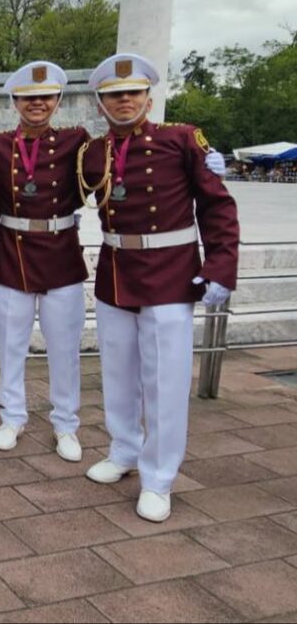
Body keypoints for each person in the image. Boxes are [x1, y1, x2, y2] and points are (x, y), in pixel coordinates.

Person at [77, 53, 239, 523]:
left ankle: (160, 477)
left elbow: (217, 208)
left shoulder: (183, 140)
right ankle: (124, 449)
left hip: (170, 271)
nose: (123, 101)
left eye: (132, 93)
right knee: (119, 372)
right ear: (101, 101)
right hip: (116, 269)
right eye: (113, 95)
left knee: (165, 380)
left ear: (148, 96)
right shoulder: (94, 152)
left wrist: (220, 266)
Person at [0, 62, 89, 462]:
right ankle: (12, 415)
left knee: (64, 348)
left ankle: (66, 424)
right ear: (15, 102)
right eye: (28, 97)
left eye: (45, 97)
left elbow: (109, 168)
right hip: (13, 252)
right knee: (11, 343)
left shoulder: (77, 140)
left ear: (57, 101)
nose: (37, 103)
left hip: (61, 252)